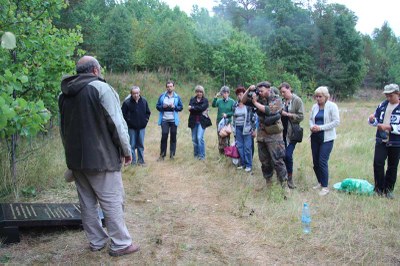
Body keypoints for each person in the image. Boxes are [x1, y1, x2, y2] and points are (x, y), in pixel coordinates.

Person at [59, 56, 139, 257]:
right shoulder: (100, 88)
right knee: (112, 200)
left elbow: (63, 130)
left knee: (87, 203)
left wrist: (70, 155)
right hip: (101, 158)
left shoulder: (63, 94)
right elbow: (117, 124)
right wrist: (127, 151)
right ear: (95, 70)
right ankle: (121, 243)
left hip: (76, 160)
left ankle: (96, 240)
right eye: (100, 68)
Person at [243, 81, 288, 189]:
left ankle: (284, 186)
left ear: (268, 89)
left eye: (262, 91)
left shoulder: (277, 99)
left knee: (277, 161)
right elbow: (243, 100)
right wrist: (249, 89)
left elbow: (269, 110)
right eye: (259, 91)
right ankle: (269, 183)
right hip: (262, 135)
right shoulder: (258, 98)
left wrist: (255, 103)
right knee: (264, 161)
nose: (260, 93)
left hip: (274, 135)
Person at [368, 83, 400, 199]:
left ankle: (388, 190)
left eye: (391, 95)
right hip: (381, 140)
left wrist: (389, 128)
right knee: (378, 163)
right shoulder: (382, 105)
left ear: (398, 94)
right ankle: (378, 189)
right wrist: (372, 120)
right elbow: (376, 120)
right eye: (386, 95)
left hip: (396, 142)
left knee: (392, 166)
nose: (388, 98)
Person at [309, 86, 340, 196]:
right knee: (315, 162)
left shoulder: (332, 106)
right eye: (316, 96)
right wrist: (312, 126)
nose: (318, 98)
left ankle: (325, 187)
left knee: (322, 161)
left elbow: (336, 122)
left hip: (327, 138)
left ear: (326, 96)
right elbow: (311, 120)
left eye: (320, 96)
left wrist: (320, 127)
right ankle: (320, 182)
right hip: (315, 137)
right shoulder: (314, 107)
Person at [279, 82, 304, 189]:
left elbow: (301, 116)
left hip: (293, 133)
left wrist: (288, 114)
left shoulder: (297, 100)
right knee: (283, 156)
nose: (283, 94)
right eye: (281, 92)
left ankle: (290, 178)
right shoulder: (282, 101)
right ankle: (283, 177)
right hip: (282, 133)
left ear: (289, 89)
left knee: (288, 155)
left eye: (284, 92)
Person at [121, 86, 151, 166]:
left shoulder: (144, 101)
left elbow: (148, 112)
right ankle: (133, 162)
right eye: (134, 93)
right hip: (131, 128)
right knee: (132, 145)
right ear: (131, 94)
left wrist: (145, 121)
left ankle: (141, 161)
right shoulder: (127, 103)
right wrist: (129, 122)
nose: (136, 95)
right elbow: (122, 115)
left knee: (141, 144)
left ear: (139, 93)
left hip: (141, 127)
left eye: (137, 93)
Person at [156, 80, 183, 160]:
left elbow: (181, 107)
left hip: (173, 120)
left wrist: (174, 107)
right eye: (168, 87)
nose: (169, 88)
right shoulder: (162, 96)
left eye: (171, 86)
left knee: (173, 137)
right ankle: (162, 155)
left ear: (173, 87)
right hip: (164, 119)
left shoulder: (177, 97)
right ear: (166, 87)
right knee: (164, 136)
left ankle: (172, 155)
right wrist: (162, 107)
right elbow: (157, 106)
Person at [232, 85, 257, 172]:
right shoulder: (235, 104)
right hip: (238, 127)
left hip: (247, 128)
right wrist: (233, 129)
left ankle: (249, 165)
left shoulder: (249, 105)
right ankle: (242, 164)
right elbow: (233, 118)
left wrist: (254, 129)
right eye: (238, 94)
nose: (240, 96)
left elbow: (253, 117)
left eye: (242, 94)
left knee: (247, 147)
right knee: (240, 147)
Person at [188, 85, 211, 160]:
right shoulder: (192, 99)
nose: (199, 93)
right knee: (194, 139)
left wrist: (193, 108)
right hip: (193, 121)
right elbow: (190, 109)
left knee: (199, 137)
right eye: (197, 91)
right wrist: (196, 109)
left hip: (202, 122)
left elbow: (202, 108)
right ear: (196, 92)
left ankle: (202, 156)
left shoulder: (205, 100)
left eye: (200, 92)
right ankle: (196, 155)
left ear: (202, 92)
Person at [212, 86, 236, 155]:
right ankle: (221, 153)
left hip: (227, 122)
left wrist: (227, 114)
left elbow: (233, 112)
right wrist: (216, 96)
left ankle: (227, 152)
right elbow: (213, 105)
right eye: (223, 93)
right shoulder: (219, 101)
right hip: (219, 122)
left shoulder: (232, 101)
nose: (225, 94)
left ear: (228, 93)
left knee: (226, 138)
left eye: (226, 93)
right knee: (220, 136)